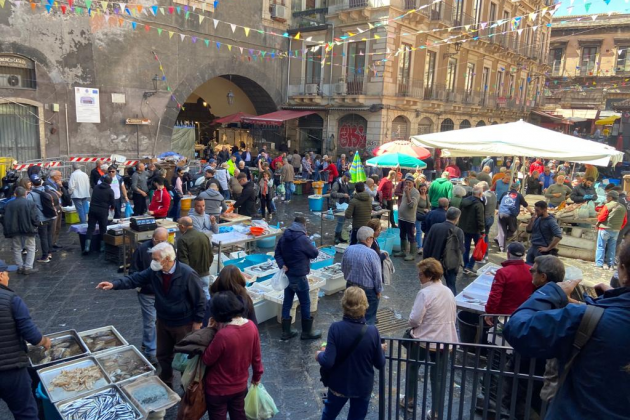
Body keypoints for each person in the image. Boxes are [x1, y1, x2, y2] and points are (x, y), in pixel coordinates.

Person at [503, 248, 630, 420]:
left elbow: (518, 328)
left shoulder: (586, 318)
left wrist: (550, 292)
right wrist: (611, 301)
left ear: (624, 273)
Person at [97, 242, 206, 387]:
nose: (152, 262)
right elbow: (134, 279)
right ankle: (166, 380)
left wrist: (197, 324)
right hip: (163, 321)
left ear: (167, 260)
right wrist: (114, 284)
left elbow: (201, 300)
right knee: (163, 354)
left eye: (155, 259)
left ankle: (186, 385)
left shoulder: (187, 274)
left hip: (183, 324)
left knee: (184, 357)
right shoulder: (155, 271)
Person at [316, 287, 386, 420]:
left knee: (329, 414)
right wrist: (379, 349)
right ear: (364, 305)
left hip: (339, 384)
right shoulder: (372, 332)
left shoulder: (336, 328)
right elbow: (380, 363)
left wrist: (318, 354)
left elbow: (328, 361)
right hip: (362, 386)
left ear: (344, 304)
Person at [400, 258, 458, 416]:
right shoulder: (448, 291)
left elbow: (414, 319)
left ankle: (410, 399)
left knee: (412, 367)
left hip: (423, 340)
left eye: (420, 274)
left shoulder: (424, 293)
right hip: (445, 340)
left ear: (429, 275)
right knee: (438, 377)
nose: (418, 276)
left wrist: (411, 323)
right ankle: (436, 412)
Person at [0, 259, 51, 420]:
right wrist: (45, 341)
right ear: (1, 276)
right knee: (26, 413)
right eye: (7, 274)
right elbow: (32, 336)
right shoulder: (11, 299)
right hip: (11, 371)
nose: (8, 278)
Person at [203, 291, 263, 420]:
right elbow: (257, 357)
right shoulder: (251, 327)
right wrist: (256, 376)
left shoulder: (222, 335)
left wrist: (209, 330)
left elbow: (207, 359)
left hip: (217, 389)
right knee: (239, 415)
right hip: (240, 386)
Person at [274, 216, 321, 340]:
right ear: (303, 225)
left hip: (288, 275)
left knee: (287, 301)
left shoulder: (284, 236)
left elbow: (277, 253)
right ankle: (306, 332)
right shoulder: (303, 238)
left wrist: (282, 264)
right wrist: (309, 243)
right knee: (305, 302)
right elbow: (314, 253)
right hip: (299, 275)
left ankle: (286, 332)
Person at [130, 227, 170, 364]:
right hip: (147, 293)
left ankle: (147, 343)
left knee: (158, 320)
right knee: (150, 320)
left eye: (163, 241)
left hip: (163, 293)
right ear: (152, 238)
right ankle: (151, 350)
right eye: (157, 241)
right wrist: (142, 286)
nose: (160, 244)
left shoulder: (169, 248)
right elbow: (133, 272)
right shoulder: (142, 250)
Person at [341, 226, 383, 325]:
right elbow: (377, 275)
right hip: (368, 290)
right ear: (368, 239)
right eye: (372, 238)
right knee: (369, 318)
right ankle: (365, 337)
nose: (373, 240)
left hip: (351, 286)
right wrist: (379, 290)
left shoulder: (349, 249)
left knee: (351, 315)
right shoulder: (372, 254)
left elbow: (343, 267)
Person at [484, 243, 533, 324]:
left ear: (508, 254)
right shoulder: (531, 270)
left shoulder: (503, 272)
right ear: (524, 255)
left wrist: (489, 312)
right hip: (524, 314)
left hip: (504, 316)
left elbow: (495, 295)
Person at [423, 207, 464, 295]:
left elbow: (427, 246)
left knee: (432, 285)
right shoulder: (458, 231)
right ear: (457, 218)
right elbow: (461, 249)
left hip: (434, 262)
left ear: (446, 215)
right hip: (450, 263)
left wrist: (425, 262)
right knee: (451, 286)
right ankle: (452, 304)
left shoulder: (435, 227)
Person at [4, 187, 40, 275]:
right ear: (25, 194)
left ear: (15, 194)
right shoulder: (30, 203)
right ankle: (28, 267)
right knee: (31, 247)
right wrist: (36, 224)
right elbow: (34, 217)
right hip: (28, 229)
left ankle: (19, 267)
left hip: (14, 230)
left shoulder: (9, 204)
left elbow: (4, 217)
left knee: (17, 248)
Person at [177, 217, 212, 300]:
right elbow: (211, 256)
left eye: (178, 226)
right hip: (205, 274)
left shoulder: (182, 240)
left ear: (182, 226)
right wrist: (206, 268)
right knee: (206, 295)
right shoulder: (204, 236)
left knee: (192, 299)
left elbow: (183, 262)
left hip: (192, 277)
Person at [82, 175, 115, 255]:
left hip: (93, 209)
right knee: (103, 228)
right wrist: (112, 208)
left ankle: (87, 247)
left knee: (90, 228)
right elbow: (112, 203)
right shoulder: (110, 191)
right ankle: (102, 247)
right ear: (110, 182)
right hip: (103, 211)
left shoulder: (96, 187)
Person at [596, 190, 627, 269]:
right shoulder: (623, 207)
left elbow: (601, 217)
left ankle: (599, 264)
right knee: (612, 247)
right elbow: (625, 220)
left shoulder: (608, 205)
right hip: (616, 230)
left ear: (610, 197)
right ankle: (611, 264)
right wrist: (619, 227)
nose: (606, 198)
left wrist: (598, 222)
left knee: (601, 246)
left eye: (607, 197)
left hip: (605, 228)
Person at [27, 175, 56, 263]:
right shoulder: (47, 188)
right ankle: (50, 253)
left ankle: (45, 256)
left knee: (43, 237)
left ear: (32, 183)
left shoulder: (31, 194)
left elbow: (29, 207)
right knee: (49, 235)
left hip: (41, 218)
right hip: (51, 216)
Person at [459, 186, 486, 275]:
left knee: (466, 248)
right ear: (480, 194)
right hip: (475, 230)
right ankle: (470, 266)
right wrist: (482, 230)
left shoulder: (464, 201)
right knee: (477, 248)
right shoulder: (479, 204)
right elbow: (480, 219)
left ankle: (466, 265)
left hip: (464, 228)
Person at [394, 174, 420, 261]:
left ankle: (412, 254)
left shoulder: (415, 192)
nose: (408, 185)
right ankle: (403, 251)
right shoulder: (406, 190)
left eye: (409, 183)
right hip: (401, 217)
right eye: (406, 183)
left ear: (413, 183)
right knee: (402, 234)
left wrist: (408, 193)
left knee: (411, 236)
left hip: (409, 219)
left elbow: (411, 205)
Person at [497, 188, 530, 252]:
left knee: (502, 231)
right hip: (511, 215)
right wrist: (531, 212)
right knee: (513, 229)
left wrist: (499, 210)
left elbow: (500, 202)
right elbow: (525, 204)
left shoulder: (504, 193)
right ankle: (501, 245)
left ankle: (499, 241)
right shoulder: (519, 195)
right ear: (518, 189)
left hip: (501, 213)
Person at [44, 170, 64, 249]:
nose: (60, 177)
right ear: (54, 176)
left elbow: (61, 193)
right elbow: (54, 195)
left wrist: (60, 186)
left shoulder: (57, 183)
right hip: (53, 207)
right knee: (53, 227)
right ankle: (50, 244)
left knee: (58, 227)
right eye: (59, 175)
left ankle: (54, 242)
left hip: (58, 206)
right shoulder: (47, 184)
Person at [332, 172, 351, 244]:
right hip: (338, 205)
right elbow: (333, 194)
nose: (348, 180)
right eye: (348, 178)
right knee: (340, 222)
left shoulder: (345, 184)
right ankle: (336, 237)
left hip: (344, 205)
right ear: (345, 176)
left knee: (342, 222)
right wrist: (343, 195)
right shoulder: (337, 183)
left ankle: (339, 236)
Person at [416, 183, 430, 255]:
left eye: (424, 189)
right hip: (418, 215)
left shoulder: (427, 196)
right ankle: (419, 247)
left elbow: (428, 206)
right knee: (419, 231)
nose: (423, 191)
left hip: (425, 216)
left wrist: (427, 209)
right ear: (419, 189)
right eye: (422, 189)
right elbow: (415, 207)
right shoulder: (418, 196)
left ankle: (419, 244)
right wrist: (423, 210)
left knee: (423, 231)